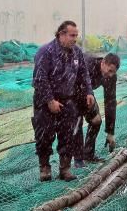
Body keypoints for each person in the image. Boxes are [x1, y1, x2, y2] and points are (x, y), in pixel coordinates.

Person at [32, 20, 95, 181]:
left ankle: (64, 168)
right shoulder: (46, 52)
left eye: (76, 35)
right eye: (72, 35)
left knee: (67, 135)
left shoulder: (76, 53)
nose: (75, 39)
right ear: (61, 34)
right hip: (45, 102)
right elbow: (40, 79)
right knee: (44, 135)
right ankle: (45, 168)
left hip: (68, 100)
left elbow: (84, 74)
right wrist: (49, 100)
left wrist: (88, 92)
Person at [72, 53, 120, 166]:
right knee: (77, 122)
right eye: (109, 71)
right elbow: (73, 84)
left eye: (113, 72)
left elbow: (110, 102)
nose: (110, 75)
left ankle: (88, 154)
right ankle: (77, 158)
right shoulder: (87, 65)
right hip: (71, 92)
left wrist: (110, 132)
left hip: (87, 94)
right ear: (103, 63)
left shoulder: (111, 76)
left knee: (96, 120)